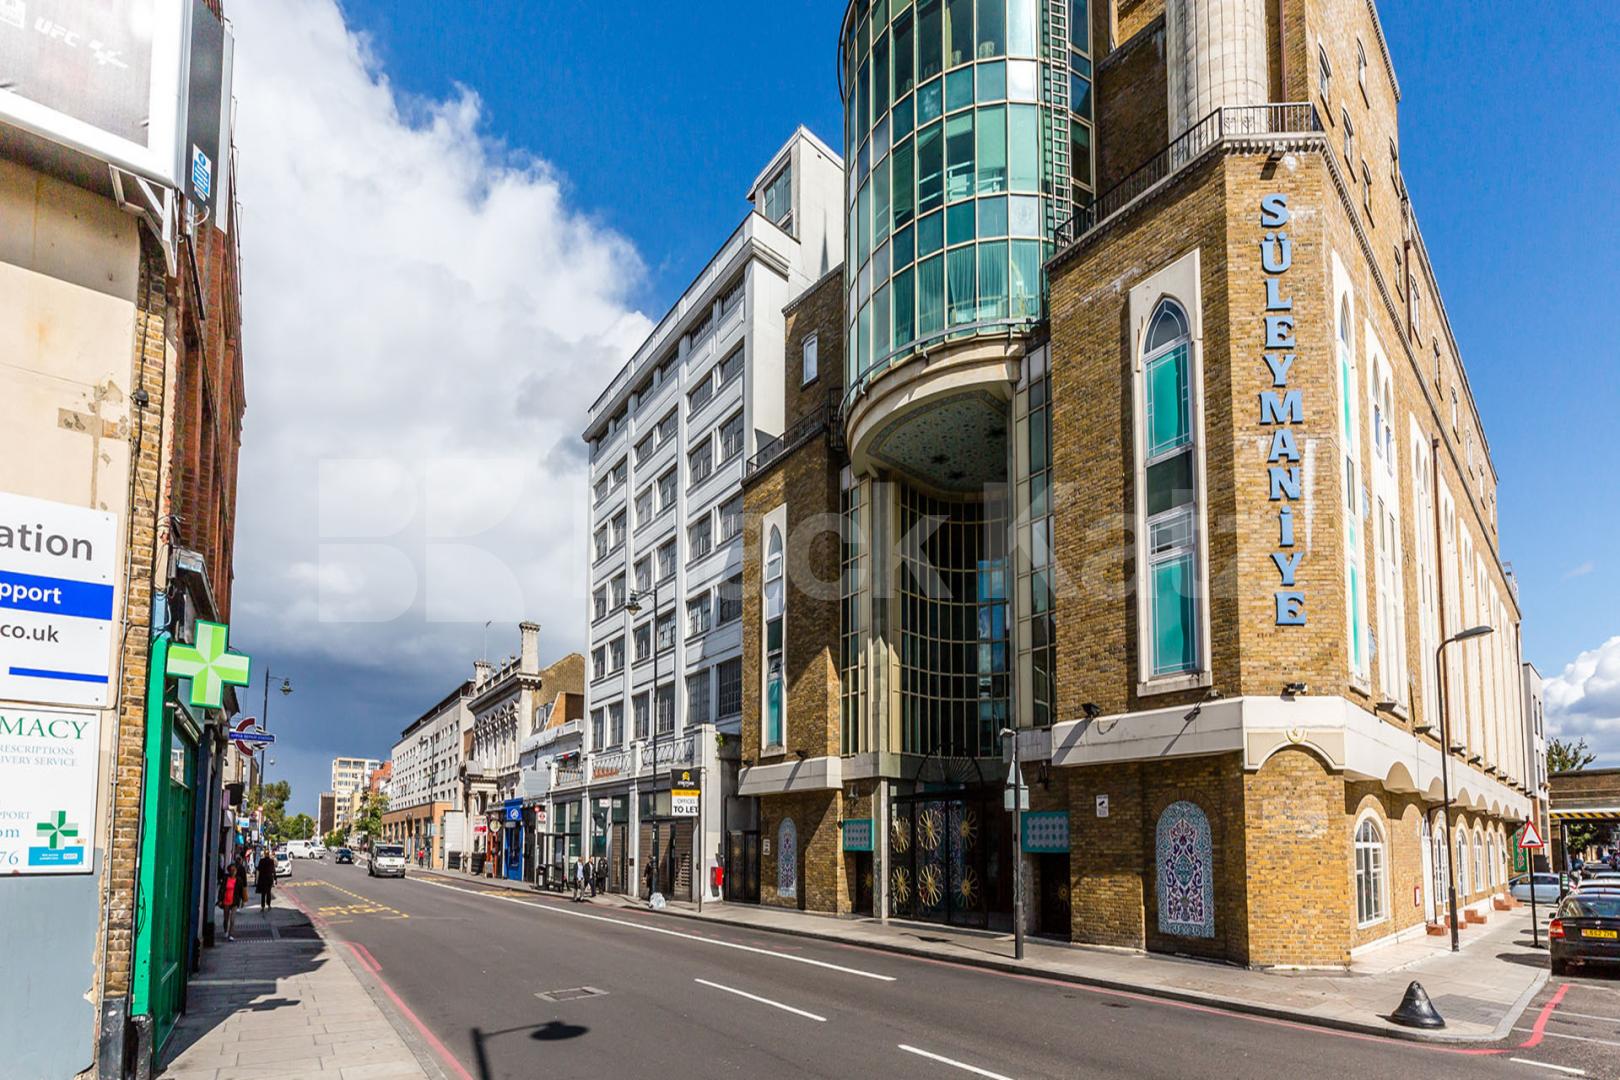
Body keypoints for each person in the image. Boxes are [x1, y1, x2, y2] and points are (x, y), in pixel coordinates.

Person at [219, 857, 247, 941]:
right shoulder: (225, 879)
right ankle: (225, 931)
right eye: (231, 870)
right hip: (226, 900)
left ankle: (231, 934)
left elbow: (241, 891)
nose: (233, 872)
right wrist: (220, 900)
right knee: (226, 918)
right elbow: (222, 890)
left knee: (232, 919)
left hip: (234, 901)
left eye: (234, 870)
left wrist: (243, 900)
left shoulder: (239, 880)